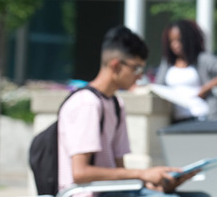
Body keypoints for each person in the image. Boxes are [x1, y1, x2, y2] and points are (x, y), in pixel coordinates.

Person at [57, 25, 206, 197]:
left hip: (113, 192)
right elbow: (80, 173)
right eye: (136, 68)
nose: (140, 76)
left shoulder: (116, 104)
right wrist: (142, 174)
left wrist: (159, 185)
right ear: (115, 65)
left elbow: (120, 173)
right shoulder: (86, 103)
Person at [154, 19, 217, 122]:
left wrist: (205, 89)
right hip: (177, 118)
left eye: (179, 40)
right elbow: (159, 86)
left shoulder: (202, 59)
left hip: (202, 115)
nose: (175, 45)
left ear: (188, 39)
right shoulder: (168, 62)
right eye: (171, 41)